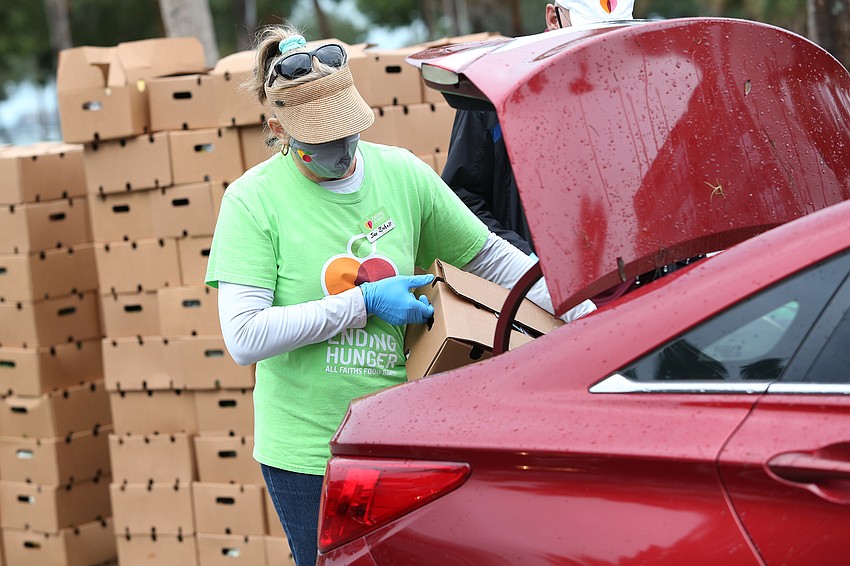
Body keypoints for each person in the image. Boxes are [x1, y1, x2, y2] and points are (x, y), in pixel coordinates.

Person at [205, 25, 595, 566]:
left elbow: (488, 257)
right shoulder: (253, 203)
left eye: (348, 134)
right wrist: (362, 305)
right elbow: (245, 337)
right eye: (322, 143)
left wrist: (579, 305)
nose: (342, 152)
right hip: (310, 456)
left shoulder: (402, 175)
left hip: (403, 439)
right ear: (278, 127)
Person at [442, 0, 638, 300]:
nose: (597, 53)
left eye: (610, 39)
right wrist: (527, 270)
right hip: (538, 296)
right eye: (586, 37)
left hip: (628, 285)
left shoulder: (635, 83)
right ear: (553, 17)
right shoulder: (493, 89)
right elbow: (462, 200)